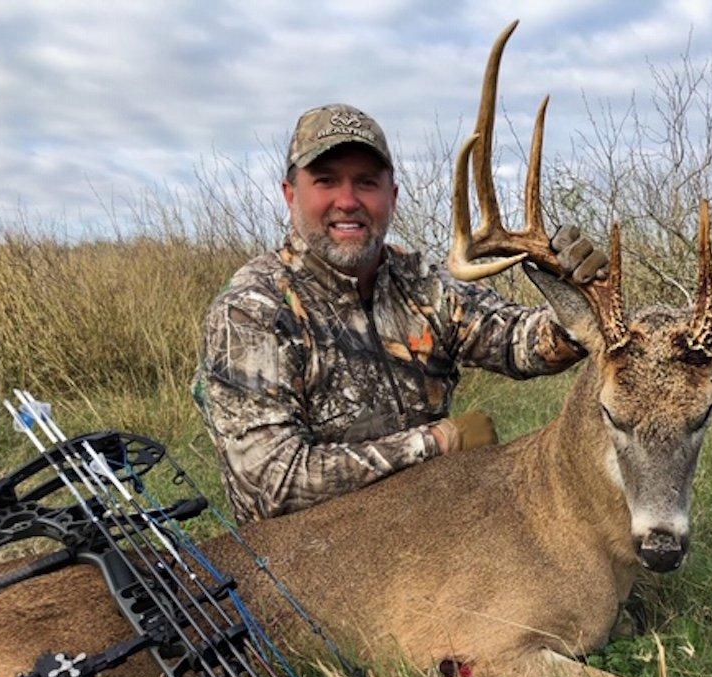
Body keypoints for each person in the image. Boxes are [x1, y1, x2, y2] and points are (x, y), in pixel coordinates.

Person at [192, 104, 608, 524]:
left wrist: (576, 305)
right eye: (326, 181)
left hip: (424, 527)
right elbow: (272, 484)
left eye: (367, 183)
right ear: (290, 194)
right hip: (306, 559)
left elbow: (518, 341)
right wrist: (437, 442)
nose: (348, 201)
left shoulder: (420, 282)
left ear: (391, 197)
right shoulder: (252, 310)